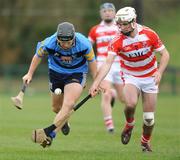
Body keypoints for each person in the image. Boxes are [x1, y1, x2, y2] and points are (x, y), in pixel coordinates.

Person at [89, 7, 170, 152]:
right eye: (118, 23)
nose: (120, 26)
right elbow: (107, 63)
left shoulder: (149, 34)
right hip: (131, 76)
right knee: (130, 104)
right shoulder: (117, 40)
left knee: (149, 118)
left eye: (123, 23)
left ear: (133, 22)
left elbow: (165, 54)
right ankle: (129, 124)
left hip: (150, 77)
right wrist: (96, 83)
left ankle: (145, 142)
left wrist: (160, 72)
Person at [22, 22, 97, 148]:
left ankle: (50, 135)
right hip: (56, 73)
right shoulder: (49, 43)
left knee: (68, 104)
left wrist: (96, 83)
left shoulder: (84, 44)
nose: (65, 45)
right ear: (57, 38)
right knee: (56, 108)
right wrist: (29, 74)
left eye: (68, 42)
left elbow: (92, 62)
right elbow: (37, 56)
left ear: (73, 38)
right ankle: (64, 121)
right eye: (62, 42)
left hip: (76, 73)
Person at [88, 2, 124, 133]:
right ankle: (110, 126)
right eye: (104, 11)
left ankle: (114, 93)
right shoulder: (95, 30)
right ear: (101, 13)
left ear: (114, 13)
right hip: (103, 64)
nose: (107, 12)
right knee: (106, 94)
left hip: (120, 64)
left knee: (124, 98)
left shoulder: (121, 27)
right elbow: (87, 47)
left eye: (110, 10)